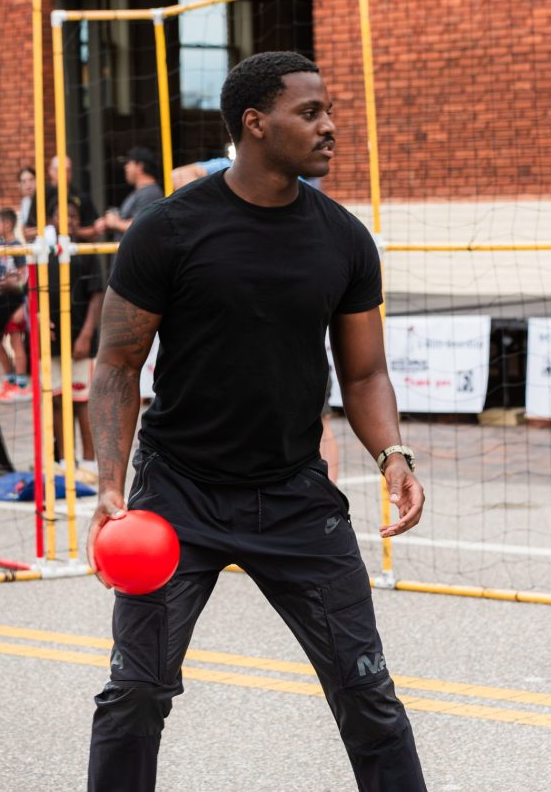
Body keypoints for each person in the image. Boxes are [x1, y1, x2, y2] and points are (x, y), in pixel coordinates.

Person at [84, 52, 427, 791]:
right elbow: (115, 366)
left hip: (295, 495)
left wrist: (393, 455)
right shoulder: (169, 231)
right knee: (137, 692)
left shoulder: (342, 238)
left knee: (368, 694)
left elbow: (365, 372)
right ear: (255, 123)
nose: (331, 127)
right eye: (311, 113)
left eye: (330, 110)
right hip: (179, 495)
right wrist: (110, 486)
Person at [46, 198, 103, 470]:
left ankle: (90, 461)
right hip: (54, 342)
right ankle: (66, 459)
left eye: (73, 216)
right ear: (53, 219)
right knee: (57, 400)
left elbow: (96, 295)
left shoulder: (86, 251)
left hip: (80, 339)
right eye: (62, 215)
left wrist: (86, 334)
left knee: (82, 401)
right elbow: (34, 292)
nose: (67, 220)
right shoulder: (45, 253)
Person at [0, 207, 31, 403]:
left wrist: (21, 307)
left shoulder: (17, 247)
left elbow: (24, 276)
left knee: (16, 342)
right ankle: (10, 379)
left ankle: (22, 385)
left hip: (14, 304)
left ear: (7, 224)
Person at [24, 155, 99, 242]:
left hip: (77, 251)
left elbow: (95, 232)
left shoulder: (82, 196)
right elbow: (27, 233)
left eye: (68, 170)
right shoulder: (41, 196)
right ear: (50, 171)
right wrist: (51, 229)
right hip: (49, 252)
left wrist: (73, 230)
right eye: (59, 170)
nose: (64, 174)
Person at [93, 147, 162, 239]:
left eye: (128, 163)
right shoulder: (140, 192)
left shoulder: (150, 193)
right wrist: (108, 223)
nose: (125, 167)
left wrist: (115, 223)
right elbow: (130, 223)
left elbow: (142, 227)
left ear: (140, 166)